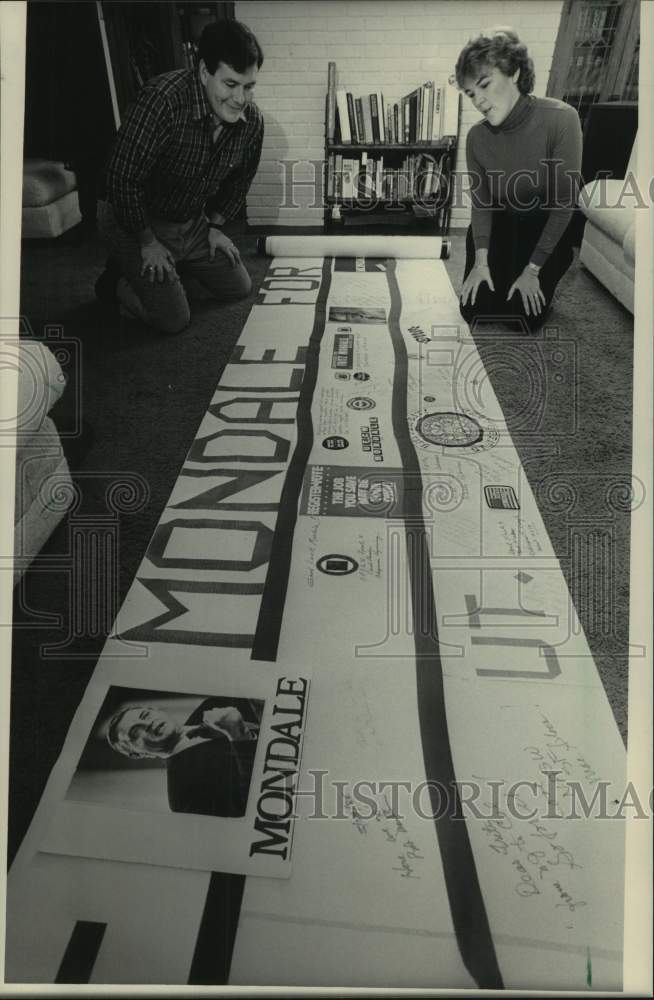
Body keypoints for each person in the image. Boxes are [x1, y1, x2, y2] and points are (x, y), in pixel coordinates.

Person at [95, 19, 264, 334]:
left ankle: (172, 267)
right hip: (132, 217)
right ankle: (116, 282)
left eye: (249, 86)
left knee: (238, 286)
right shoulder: (162, 100)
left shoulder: (252, 122)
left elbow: (241, 180)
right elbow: (121, 180)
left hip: (188, 219)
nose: (240, 99)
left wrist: (215, 227)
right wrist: (147, 242)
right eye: (230, 84)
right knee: (173, 320)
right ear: (204, 73)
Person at [455, 28, 582, 332]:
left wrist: (533, 270)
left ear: (513, 72)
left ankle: (541, 270)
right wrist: (480, 263)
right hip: (505, 224)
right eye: (471, 93)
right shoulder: (476, 137)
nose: (479, 101)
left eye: (485, 84)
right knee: (474, 311)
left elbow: (565, 205)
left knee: (524, 320)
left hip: (547, 227)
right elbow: (483, 205)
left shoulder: (562, 118)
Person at [107, 698, 260, 817]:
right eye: (135, 733)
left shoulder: (215, 703)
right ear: (138, 754)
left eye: (145, 715)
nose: (146, 723)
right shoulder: (183, 799)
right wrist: (238, 735)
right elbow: (250, 808)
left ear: (157, 710)